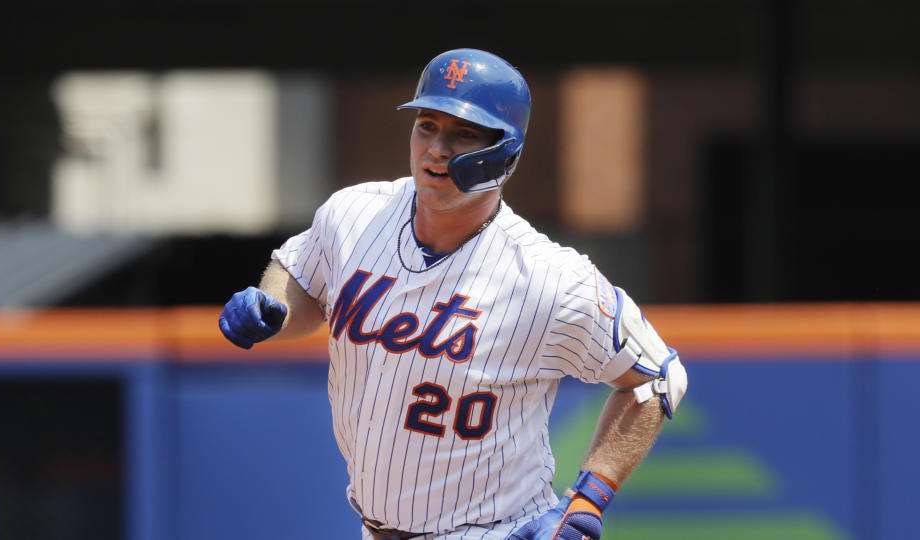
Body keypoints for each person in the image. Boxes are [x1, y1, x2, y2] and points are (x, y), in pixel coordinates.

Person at [219, 48, 688, 540]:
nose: (436, 149)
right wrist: (273, 307)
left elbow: (656, 379)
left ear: (504, 152)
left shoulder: (549, 276)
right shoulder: (354, 214)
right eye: (426, 125)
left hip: (493, 530)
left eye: (463, 133)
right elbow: (303, 279)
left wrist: (587, 501)